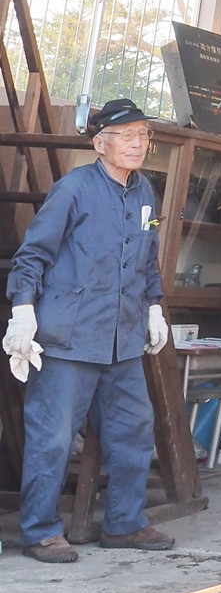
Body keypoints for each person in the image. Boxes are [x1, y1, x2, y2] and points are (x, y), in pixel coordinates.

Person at [1, 99, 173, 562]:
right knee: (53, 437)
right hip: (68, 338)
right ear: (100, 143)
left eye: (143, 135)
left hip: (122, 338)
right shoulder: (73, 189)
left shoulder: (145, 194)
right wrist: (22, 311)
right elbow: (33, 254)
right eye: (126, 136)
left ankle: (125, 523)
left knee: (134, 430)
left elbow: (146, 255)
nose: (138, 143)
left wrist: (154, 307)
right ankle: (40, 531)